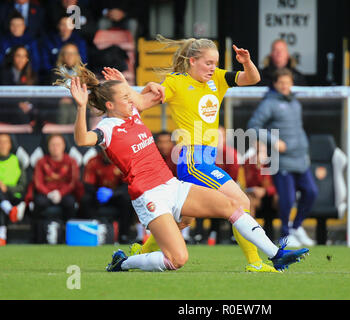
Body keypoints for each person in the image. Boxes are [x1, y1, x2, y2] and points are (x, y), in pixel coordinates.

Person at [63, 65, 309, 272]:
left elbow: (151, 96)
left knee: (233, 205)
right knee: (177, 259)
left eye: (129, 97)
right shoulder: (107, 127)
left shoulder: (133, 113)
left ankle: (276, 256)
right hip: (149, 195)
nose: (130, 101)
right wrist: (81, 107)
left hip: (171, 185)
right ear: (109, 105)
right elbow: (83, 139)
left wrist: (143, 85)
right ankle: (123, 263)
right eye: (125, 99)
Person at [117, 35, 278, 272]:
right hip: (192, 160)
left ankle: (140, 252)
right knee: (241, 201)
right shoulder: (176, 82)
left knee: (185, 219)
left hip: (205, 158)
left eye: (215, 63)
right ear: (192, 61)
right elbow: (140, 104)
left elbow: (253, 78)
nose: (213, 68)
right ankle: (255, 263)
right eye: (208, 63)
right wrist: (134, 87)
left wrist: (246, 62)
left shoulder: (220, 78)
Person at [248, 68, 317, 247]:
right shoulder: (269, 103)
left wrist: (305, 149)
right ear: (276, 84)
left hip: (300, 159)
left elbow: (298, 129)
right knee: (287, 199)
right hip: (282, 161)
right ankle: (285, 234)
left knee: (311, 192)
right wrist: (274, 142)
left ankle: (296, 227)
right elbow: (253, 126)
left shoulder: (295, 103)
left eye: (288, 82)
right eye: (282, 83)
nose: (285, 86)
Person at [80, 148, 132, 244]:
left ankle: (124, 235)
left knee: (127, 200)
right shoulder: (93, 161)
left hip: (116, 196)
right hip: (97, 196)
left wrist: (113, 193)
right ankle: (89, 232)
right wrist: (97, 192)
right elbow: (88, 185)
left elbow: (127, 185)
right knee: (85, 200)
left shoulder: (122, 162)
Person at [31, 134, 79, 223]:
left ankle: (67, 231)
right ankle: (39, 231)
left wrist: (60, 193)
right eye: (52, 145)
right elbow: (38, 183)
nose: (55, 147)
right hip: (46, 194)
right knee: (39, 202)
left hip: (64, 194)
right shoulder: (41, 161)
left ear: (64, 146)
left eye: (58, 144)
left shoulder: (71, 161)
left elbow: (73, 182)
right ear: (48, 147)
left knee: (70, 202)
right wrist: (49, 193)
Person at [242, 141, 278, 241]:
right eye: (256, 151)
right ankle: (249, 234)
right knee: (249, 199)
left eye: (261, 151)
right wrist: (258, 167)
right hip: (255, 196)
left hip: (271, 196)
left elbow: (279, 185)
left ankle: (288, 232)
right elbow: (249, 184)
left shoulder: (274, 163)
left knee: (280, 197)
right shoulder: (249, 163)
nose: (259, 154)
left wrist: (265, 191)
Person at [0, 45, 38, 126]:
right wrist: (18, 104)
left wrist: (29, 105)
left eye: (24, 56)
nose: (21, 60)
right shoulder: (3, 73)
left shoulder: (32, 75)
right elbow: (4, 96)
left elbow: (36, 96)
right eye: (18, 56)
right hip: (7, 110)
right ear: (13, 57)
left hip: (28, 110)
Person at [0, 133, 27, 246]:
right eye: (0, 142)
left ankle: (2, 236)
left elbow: (22, 186)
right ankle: (10, 210)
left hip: (13, 196)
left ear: (10, 145)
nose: (2, 145)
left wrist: (7, 188)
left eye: (5, 142)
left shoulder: (16, 161)